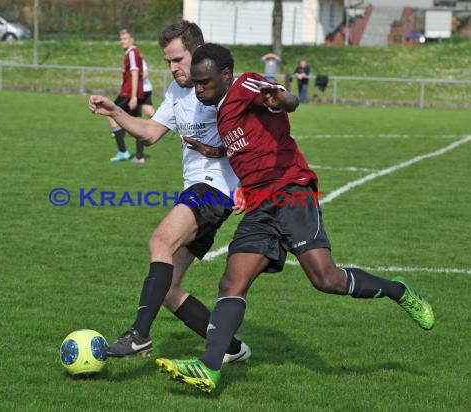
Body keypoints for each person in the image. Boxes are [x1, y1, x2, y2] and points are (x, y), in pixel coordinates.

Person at [155, 43, 435, 393]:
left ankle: (398, 290)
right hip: (259, 207)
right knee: (231, 283)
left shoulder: (247, 86)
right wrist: (216, 151)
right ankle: (209, 369)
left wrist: (280, 99)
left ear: (225, 75)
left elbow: (286, 98)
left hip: (291, 192)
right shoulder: (223, 112)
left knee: (326, 279)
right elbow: (246, 142)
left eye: (205, 82)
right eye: (195, 83)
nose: (199, 89)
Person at [88, 22, 251, 363]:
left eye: (179, 59)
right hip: (199, 190)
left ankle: (138, 335)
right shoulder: (178, 92)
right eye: (168, 62)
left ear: (198, 52)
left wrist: (249, 185)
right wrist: (116, 112)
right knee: (169, 289)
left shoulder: (224, 89)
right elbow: (149, 132)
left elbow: (258, 132)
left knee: (159, 241)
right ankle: (231, 348)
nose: (174, 67)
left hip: (214, 191)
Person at [108, 29, 146, 164]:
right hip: (131, 93)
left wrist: (134, 96)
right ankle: (140, 157)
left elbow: (135, 74)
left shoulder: (131, 53)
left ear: (131, 39)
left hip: (128, 94)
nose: (122, 41)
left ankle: (123, 152)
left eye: (125, 38)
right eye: (121, 39)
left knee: (110, 113)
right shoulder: (134, 53)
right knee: (136, 124)